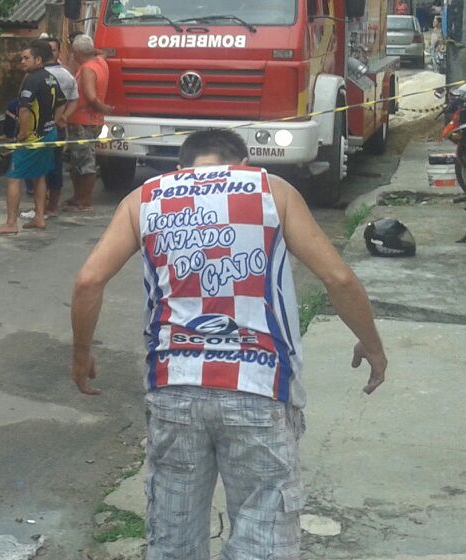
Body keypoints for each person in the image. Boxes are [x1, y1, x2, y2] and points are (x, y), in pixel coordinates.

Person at [69, 128, 388, 560]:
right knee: (263, 539)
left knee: (173, 538)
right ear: (243, 164)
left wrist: (81, 354)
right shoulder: (270, 190)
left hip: (174, 386)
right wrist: (372, 345)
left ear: (182, 167)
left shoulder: (144, 198)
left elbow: (89, 281)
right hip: (258, 385)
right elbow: (339, 278)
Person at [0, 40, 64, 235]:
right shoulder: (51, 78)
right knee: (40, 175)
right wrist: (55, 122)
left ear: (38, 59)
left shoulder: (32, 79)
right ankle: (39, 217)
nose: (22, 62)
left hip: (32, 138)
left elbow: (24, 109)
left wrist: (23, 133)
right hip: (49, 134)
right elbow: (62, 103)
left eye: (26, 58)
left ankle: (11, 223)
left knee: (14, 177)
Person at [66, 34, 111, 211]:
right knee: (80, 160)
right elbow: (103, 53)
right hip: (93, 120)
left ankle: (83, 200)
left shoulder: (87, 69)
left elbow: (91, 97)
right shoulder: (100, 62)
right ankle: (78, 197)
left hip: (83, 121)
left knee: (84, 162)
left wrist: (103, 107)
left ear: (76, 52)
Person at [43, 36, 80, 215]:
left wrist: (64, 116)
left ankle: (49, 206)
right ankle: (45, 206)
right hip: (47, 127)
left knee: (51, 167)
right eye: (47, 49)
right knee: (48, 167)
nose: (51, 53)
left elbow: (74, 100)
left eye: (54, 50)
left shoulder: (64, 75)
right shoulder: (39, 73)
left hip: (52, 128)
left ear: (59, 52)